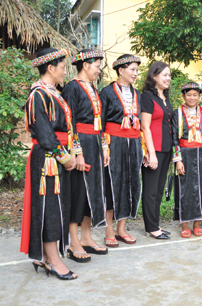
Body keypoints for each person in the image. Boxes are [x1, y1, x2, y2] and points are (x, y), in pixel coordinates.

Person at [20, 48, 78, 280]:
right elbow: (45, 135)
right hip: (48, 159)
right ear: (51, 68)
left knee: (55, 205)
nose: (65, 71)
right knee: (50, 207)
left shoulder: (53, 93)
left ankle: (46, 256)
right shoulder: (38, 95)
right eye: (63, 67)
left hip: (55, 156)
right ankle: (53, 260)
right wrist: (65, 157)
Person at [62, 49, 109, 262]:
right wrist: (77, 152)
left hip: (94, 145)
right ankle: (73, 241)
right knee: (78, 192)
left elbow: (98, 123)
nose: (98, 70)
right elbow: (69, 122)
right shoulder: (72, 87)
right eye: (97, 66)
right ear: (85, 66)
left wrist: (103, 147)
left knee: (93, 193)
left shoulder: (92, 88)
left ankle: (87, 237)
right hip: (81, 144)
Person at [100, 55, 143, 247]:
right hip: (114, 142)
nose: (135, 73)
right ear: (121, 70)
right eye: (132, 69)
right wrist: (104, 147)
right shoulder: (107, 92)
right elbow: (100, 123)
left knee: (131, 183)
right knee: (113, 184)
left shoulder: (137, 94)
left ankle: (121, 228)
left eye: (136, 70)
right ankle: (109, 229)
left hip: (133, 143)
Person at [172, 82, 202, 238]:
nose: (192, 97)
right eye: (189, 94)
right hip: (184, 153)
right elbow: (174, 139)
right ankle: (185, 223)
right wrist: (178, 160)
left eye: (195, 95)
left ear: (199, 96)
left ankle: (197, 224)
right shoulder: (176, 113)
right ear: (183, 96)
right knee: (185, 189)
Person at [141, 61, 174, 239]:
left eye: (169, 75)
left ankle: (155, 223)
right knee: (151, 190)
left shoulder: (165, 97)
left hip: (165, 149)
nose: (168, 78)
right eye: (164, 75)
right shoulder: (147, 96)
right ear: (154, 76)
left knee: (160, 190)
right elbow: (145, 126)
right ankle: (151, 227)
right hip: (154, 149)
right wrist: (150, 153)